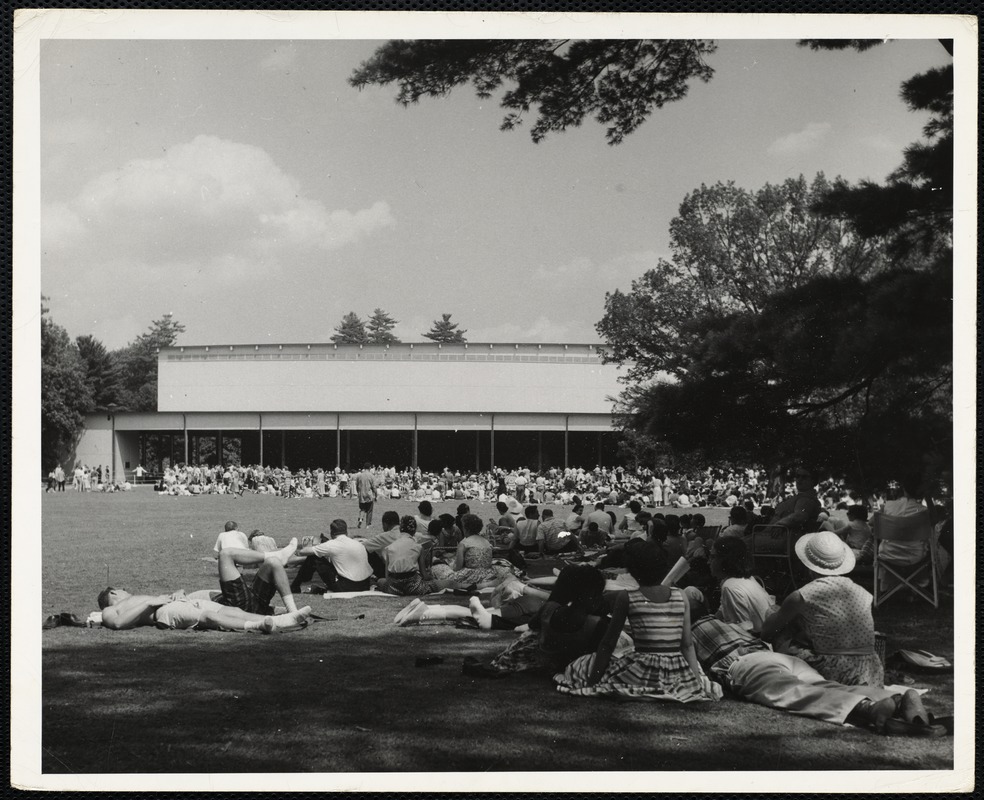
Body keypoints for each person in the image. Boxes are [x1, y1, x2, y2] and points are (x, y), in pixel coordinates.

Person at [690, 614, 946, 735]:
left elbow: (693, 667)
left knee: (799, 693)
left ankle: (868, 709)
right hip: (779, 657)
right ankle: (901, 701)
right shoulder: (730, 624)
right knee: (825, 684)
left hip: (746, 663)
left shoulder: (692, 632)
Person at [555, 540, 720, 702]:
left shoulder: (627, 597)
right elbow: (687, 645)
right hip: (676, 668)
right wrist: (697, 682)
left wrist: (592, 682)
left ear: (632, 571)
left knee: (583, 664)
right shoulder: (681, 595)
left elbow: (608, 643)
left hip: (644, 667)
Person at [99, 540, 309, 632]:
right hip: (165, 611)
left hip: (176, 603)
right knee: (213, 615)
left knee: (229, 610)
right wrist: (151, 603)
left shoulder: (135, 601)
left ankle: (287, 615)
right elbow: (118, 624)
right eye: (123, 589)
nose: (128, 590)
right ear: (114, 593)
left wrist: (176, 593)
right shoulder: (111, 609)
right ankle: (275, 619)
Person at [761, 531, 883, 687]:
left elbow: (767, 632)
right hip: (870, 669)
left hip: (834, 670)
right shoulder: (861, 592)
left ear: (807, 565)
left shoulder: (803, 595)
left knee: (778, 621)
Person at [476, 565, 631, 677]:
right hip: (567, 664)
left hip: (540, 659)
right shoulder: (597, 623)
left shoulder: (550, 609)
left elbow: (532, 627)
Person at [708, 537, 773, 632]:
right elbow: (721, 613)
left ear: (726, 560)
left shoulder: (730, 586)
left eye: (713, 557)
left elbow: (742, 631)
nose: (709, 562)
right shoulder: (746, 579)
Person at [291, 519, 373, 593]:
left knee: (314, 557)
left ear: (332, 532)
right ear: (346, 532)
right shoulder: (358, 544)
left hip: (346, 587)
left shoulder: (331, 544)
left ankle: (295, 586)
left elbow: (303, 551)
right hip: (365, 584)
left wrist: (318, 545)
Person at [771, 467, 822, 537]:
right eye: (797, 476)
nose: (799, 479)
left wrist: (780, 524)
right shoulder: (803, 496)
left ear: (813, 481)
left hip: (781, 536)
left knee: (750, 541)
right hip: (772, 532)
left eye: (804, 477)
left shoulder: (806, 499)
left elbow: (800, 516)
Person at [359, 510, 404, 578]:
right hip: (409, 570)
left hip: (392, 573)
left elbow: (364, 545)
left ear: (385, 524)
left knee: (370, 552)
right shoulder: (406, 533)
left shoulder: (386, 536)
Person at [355, 463, 377, 528]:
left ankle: (361, 519)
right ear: (370, 468)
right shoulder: (371, 476)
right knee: (369, 510)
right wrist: (376, 495)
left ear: (364, 467)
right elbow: (374, 487)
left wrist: (358, 492)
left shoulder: (359, 476)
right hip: (369, 495)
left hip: (361, 494)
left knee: (362, 509)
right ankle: (368, 524)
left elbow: (357, 486)